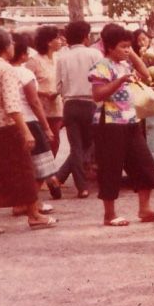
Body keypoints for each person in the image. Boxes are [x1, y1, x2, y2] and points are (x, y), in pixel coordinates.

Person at [0, 29, 53, 234]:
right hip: (8, 126)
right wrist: (25, 131)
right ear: (7, 47)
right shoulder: (7, 70)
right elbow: (12, 105)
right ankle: (34, 215)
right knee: (24, 170)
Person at [89, 23, 154, 228]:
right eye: (122, 46)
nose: (126, 50)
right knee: (110, 167)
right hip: (109, 122)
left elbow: (145, 74)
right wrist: (120, 81)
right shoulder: (102, 66)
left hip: (130, 119)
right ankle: (109, 214)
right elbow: (97, 94)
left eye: (128, 46)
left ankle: (145, 208)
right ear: (110, 47)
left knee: (144, 163)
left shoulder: (125, 63)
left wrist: (131, 54)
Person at [9, 32, 57, 216]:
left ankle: (24, 201)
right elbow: (34, 102)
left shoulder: (4, 70)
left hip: (11, 123)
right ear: (21, 54)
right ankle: (30, 201)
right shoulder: (24, 73)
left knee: (21, 166)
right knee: (42, 165)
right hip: (29, 121)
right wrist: (45, 126)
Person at [53, 21, 101, 198]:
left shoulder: (62, 57)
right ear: (85, 37)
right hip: (90, 104)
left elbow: (58, 86)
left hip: (70, 105)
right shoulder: (95, 54)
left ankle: (66, 180)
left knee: (76, 147)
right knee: (90, 144)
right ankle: (69, 181)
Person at [25, 25, 65, 164]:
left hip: (57, 107)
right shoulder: (34, 61)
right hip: (40, 109)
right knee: (41, 143)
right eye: (57, 38)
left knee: (55, 142)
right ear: (49, 42)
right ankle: (41, 177)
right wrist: (43, 93)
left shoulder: (59, 58)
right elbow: (24, 85)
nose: (61, 40)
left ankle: (49, 175)